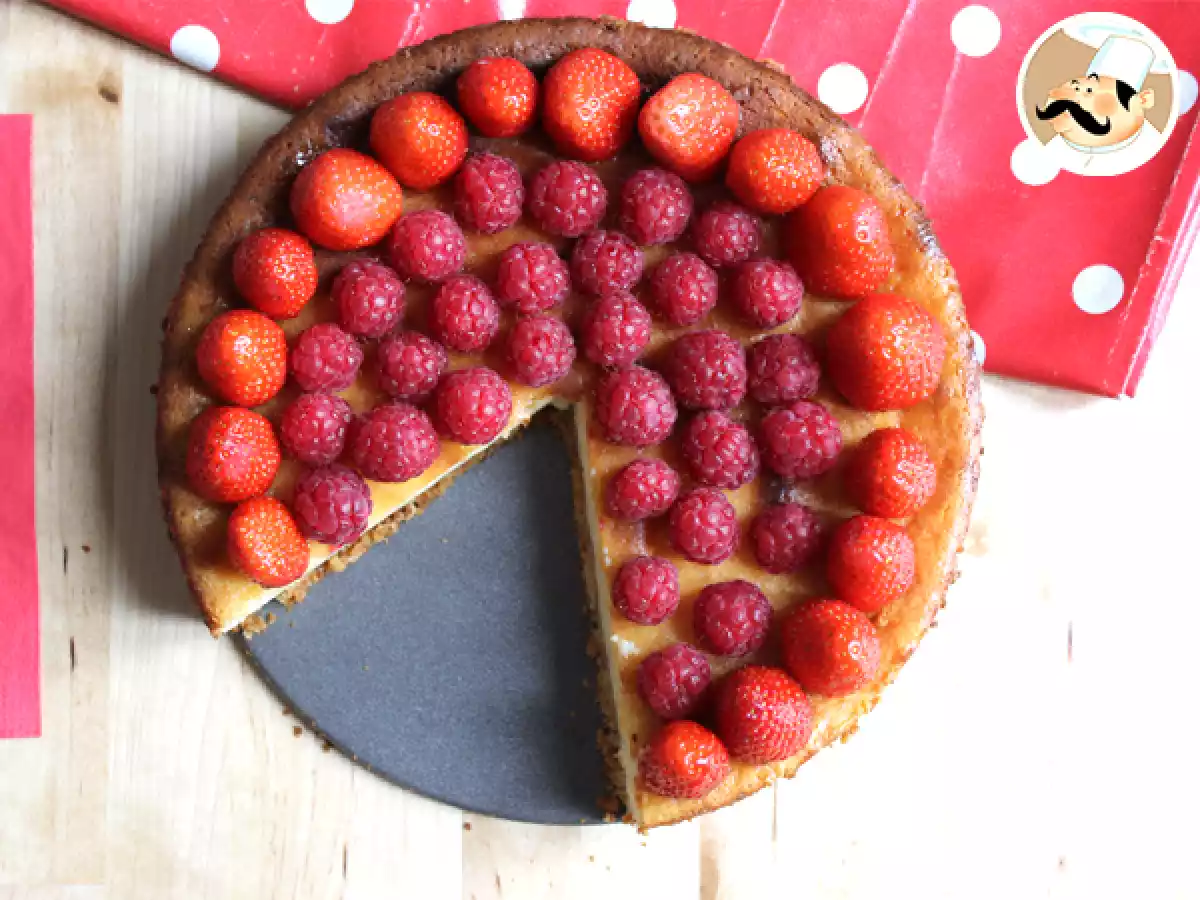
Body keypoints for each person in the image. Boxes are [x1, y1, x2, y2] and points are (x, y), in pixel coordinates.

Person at [1036, 34, 1165, 176]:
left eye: (1090, 92)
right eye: (1075, 87)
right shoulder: (1057, 146)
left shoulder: (1149, 149)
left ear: (1143, 100)